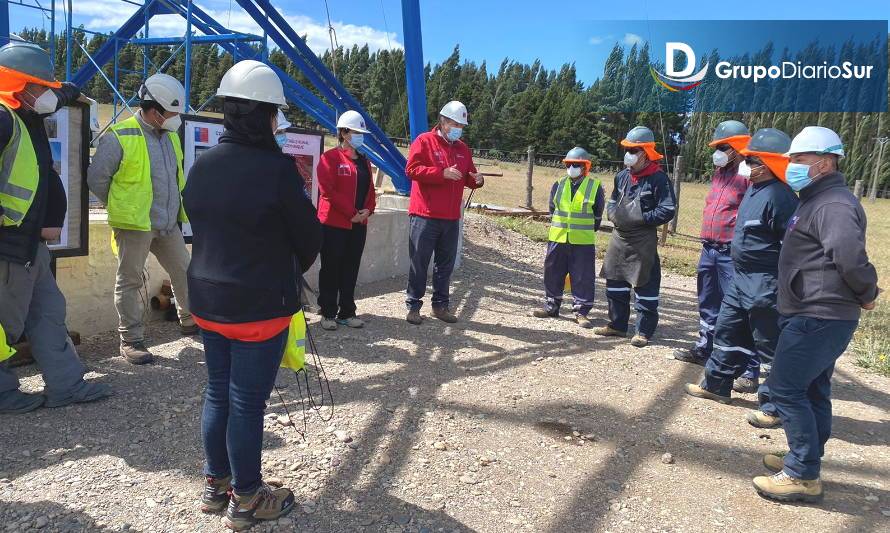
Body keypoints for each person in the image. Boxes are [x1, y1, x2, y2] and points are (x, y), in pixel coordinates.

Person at [182, 59, 322, 528]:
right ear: (264, 115)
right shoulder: (277, 171)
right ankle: (247, 498)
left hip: (207, 300)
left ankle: (215, 484)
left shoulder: (203, 165)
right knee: (246, 401)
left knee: (217, 392)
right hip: (258, 308)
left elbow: (199, 224)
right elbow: (308, 240)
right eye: (275, 114)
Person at [750, 126, 879, 503]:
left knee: (785, 388)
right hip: (813, 311)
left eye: (798, 159)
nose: (791, 166)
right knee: (812, 388)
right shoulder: (816, 198)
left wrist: (867, 292)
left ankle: (803, 473)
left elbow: (849, 257)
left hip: (819, 313)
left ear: (823, 163)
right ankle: (805, 458)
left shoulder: (832, 203)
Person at [0, 39, 111, 413]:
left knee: (49, 312)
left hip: (31, 246)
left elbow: (63, 95)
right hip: (9, 244)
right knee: (5, 325)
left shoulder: (25, 114)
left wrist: (65, 89)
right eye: (40, 86)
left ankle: (66, 385)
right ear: (17, 84)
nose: (48, 94)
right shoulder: (2, 118)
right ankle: (2, 394)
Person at [683, 128, 798, 418]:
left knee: (768, 342)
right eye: (747, 158)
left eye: (754, 160)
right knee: (727, 328)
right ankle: (717, 385)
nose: (748, 165)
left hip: (765, 279)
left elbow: (793, 246)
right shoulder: (755, 189)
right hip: (741, 275)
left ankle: (774, 407)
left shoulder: (782, 197)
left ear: (772, 163)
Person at [87, 73, 197, 365]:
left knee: (185, 270)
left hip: (166, 223)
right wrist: (122, 206)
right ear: (153, 110)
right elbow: (97, 179)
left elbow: (174, 179)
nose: (176, 118)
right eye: (172, 113)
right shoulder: (119, 136)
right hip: (134, 224)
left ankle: (189, 321)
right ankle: (131, 340)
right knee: (130, 280)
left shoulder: (170, 137)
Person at [674, 121, 756, 391]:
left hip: (732, 253)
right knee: (708, 303)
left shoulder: (750, 173)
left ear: (737, 147)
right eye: (717, 147)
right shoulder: (720, 172)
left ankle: (749, 369)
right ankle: (704, 349)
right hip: (709, 248)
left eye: (723, 147)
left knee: (741, 309)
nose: (718, 152)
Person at [404, 100, 484, 325]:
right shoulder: (424, 141)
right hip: (425, 215)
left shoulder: (463, 149)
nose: (459, 128)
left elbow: (469, 176)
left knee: (445, 264)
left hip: (450, 218)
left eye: (462, 125)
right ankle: (413, 306)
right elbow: (412, 170)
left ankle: (440, 306)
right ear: (443, 121)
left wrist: (477, 181)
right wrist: (441, 174)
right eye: (455, 123)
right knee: (419, 262)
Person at [594, 126, 676, 347]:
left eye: (634, 150)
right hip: (618, 239)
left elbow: (668, 209)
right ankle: (617, 325)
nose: (629, 154)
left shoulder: (659, 179)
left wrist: (642, 218)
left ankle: (643, 331)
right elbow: (612, 200)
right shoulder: (621, 176)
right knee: (615, 285)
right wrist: (612, 212)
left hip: (642, 241)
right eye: (627, 149)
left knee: (645, 287)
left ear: (646, 153)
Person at [316, 110, 376, 331]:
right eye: (355, 132)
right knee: (331, 268)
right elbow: (328, 191)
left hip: (358, 224)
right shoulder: (329, 158)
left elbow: (370, 190)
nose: (360, 136)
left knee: (351, 267)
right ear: (343, 133)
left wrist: (368, 210)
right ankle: (328, 312)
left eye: (362, 132)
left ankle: (347, 312)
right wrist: (350, 211)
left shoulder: (364, 161)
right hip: (334, 224)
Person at [532, 147, 605, 327]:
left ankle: (581, 312)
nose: (572, 167)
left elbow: (597, 215)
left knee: (582, 276)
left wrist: (584, 229)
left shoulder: (594, 187)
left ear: (585, 167)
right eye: (569, 164)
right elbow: (552, 209)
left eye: (576, 165)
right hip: (558, 237)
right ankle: (551, 306)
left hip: (583, 240)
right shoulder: (559, 184)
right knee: (553, 272)